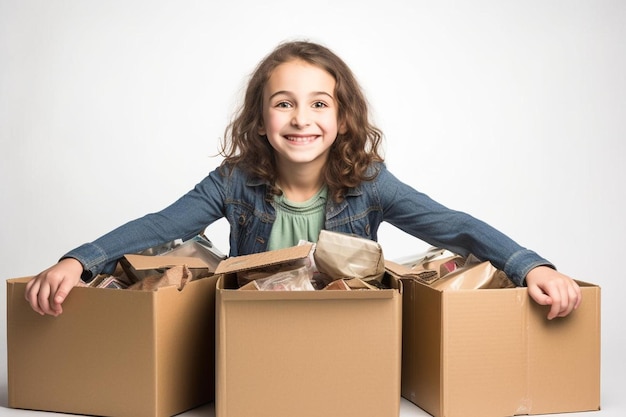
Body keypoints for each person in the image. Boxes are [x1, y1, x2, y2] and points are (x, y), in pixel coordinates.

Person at [25, 40, 581, 319]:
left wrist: (531, 266)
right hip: (255, 329)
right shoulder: (234, 182)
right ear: (261, 119)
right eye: (283, 104)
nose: (301, 119)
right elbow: (161, 225)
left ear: (341, 119)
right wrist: (80, 260)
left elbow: (453, 226)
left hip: (347, 329)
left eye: (319, 104)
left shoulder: (370, 184)